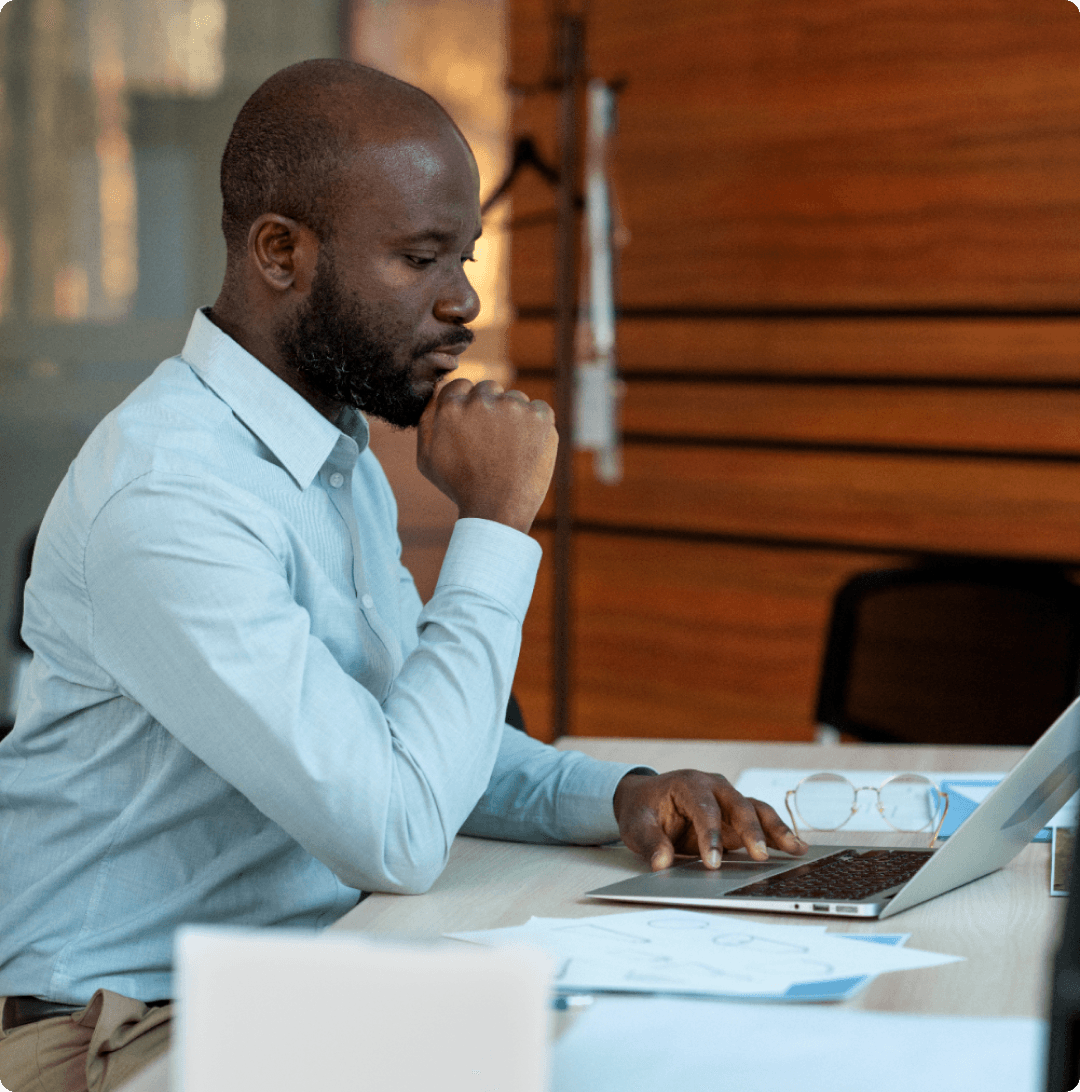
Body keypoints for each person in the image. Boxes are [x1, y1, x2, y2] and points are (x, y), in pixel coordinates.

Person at [0, 59, 806, 1092]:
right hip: (123, 1031)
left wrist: (623, 793)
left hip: (299, 976)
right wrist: (498, 523)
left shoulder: (326, 454)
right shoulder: (169, 500)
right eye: (421, 258)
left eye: (463, 255)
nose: (464, 299)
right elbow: (397, 829)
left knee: (682, 1031)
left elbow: (409, 751)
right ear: (280, 252)